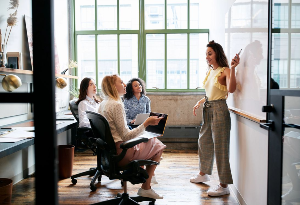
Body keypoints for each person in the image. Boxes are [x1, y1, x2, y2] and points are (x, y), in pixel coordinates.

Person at [98, 74, 166, 199]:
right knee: (158, 145)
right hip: (122, 152)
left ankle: (143, 175)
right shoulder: (117, 105)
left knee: (150, 143)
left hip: (108, 154)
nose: (125, 85)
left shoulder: (103, 104)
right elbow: (126, 135)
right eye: (121, 82)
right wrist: (146, 123)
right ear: (113, 86)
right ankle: (146, 187)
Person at [190, 40, 240, 197]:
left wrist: (232, 68)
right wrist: (200, 101)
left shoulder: (225, 70)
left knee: (220, 147)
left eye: (210, 53)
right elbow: (210, 92)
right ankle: (203, 173)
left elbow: (231, 89)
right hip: (208, 108)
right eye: (206, 54)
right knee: (203, 141)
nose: (207, 57)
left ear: (217, 53)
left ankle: (224, 185)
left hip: (219, 109)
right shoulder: (211, 71)